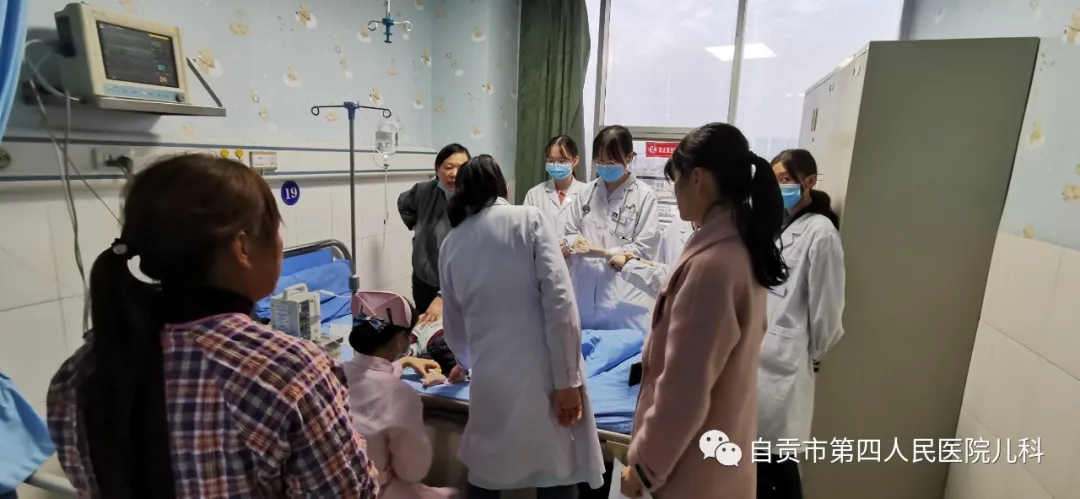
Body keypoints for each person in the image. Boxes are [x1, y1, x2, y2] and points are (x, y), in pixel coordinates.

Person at [46, 154, 379, 498]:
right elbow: (349, 492)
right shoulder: (289, 371)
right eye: (276, 230)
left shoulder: (78, 373)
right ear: (243, 247)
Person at [620, 123, 789, 499]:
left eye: (676, 180)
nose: (674, 191)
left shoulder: (711, 266)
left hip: (691, 474)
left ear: (698, 179)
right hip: (718, 465)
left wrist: (644, 468)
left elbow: (684, 392)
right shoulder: (740, 248)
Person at [438, 155, 605, 498]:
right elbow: (561, 304)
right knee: (556, 472)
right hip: (545, 377)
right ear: (503, 188)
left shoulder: (452, 243)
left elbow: (454, 327)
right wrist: (567, 382)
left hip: (491, 382)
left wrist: (467, 362)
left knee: (487, 474)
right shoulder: (529, 220)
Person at [757, 149, 845, 499]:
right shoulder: (780, 225)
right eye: (774, 180)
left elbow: (828, 312)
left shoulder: (821, 233)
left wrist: (810, 350)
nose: (779, 187)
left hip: (787, 364)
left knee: (778, 464)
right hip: (764, 360)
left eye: (785, 180)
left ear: (809, 182)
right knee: (762, 463)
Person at [343, 291, 459, 499]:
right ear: (400, 339)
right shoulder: (401, 396)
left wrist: (404, 362)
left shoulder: (336, 373)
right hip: (375, 490)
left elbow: (369, 373)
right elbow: (412, 471)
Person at [563, 125, 661, 331]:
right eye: (599, 161)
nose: (604, 167)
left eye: (611, 162)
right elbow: (569, 230)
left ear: (629, 157)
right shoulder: (586, 193)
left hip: (624, 302)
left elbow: (646, 248)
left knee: (623, 348)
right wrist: (574, 241)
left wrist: (606, 252)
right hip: (584, 295)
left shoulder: (644, 197)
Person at [398, 143, 471, 324]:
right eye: (448, 167)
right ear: (437, 169)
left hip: (458, 284)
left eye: (461, 168)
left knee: (454, 330)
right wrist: (418, 226)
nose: (454, 173)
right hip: (423, 278)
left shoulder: (473, 201)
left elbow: (469, 259)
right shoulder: (423, 191)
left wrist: (442, 296)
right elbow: (404, 204)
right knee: (425, 328)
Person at [607, 161, 695, 298]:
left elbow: (680, 285)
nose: (675, 191)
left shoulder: (722, 241)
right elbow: (669, 271)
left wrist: (630, 266)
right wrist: (642, 262)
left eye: (679, 183)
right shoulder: (675, 229)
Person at [522, 135, 589, 236]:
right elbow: (525, 230)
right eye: (551, 161)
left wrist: (570, 242)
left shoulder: (587, 193)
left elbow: (590, 232)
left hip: (575, 247)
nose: (556, 165)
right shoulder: (534, 195)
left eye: (562, 161)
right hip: (543, 247)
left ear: (575, 161)